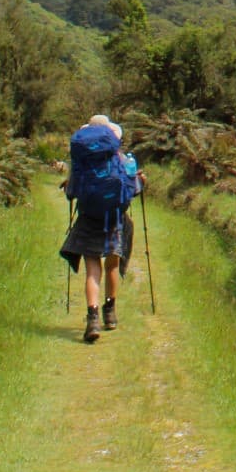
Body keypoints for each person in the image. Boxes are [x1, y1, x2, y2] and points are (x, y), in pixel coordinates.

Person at [60, 114, 146, 342]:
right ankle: (111, 313)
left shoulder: (81, 162)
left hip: (89, 217)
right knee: (111, 266)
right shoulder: (120, 159)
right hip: (114, 217)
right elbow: (132, 189)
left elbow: (72, 193)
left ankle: (92, 318)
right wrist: (141, 181)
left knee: (93, 270)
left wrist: (70, 188)